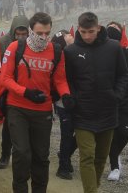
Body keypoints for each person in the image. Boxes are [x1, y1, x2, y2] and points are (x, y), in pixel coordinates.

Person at [0, 13, 72, 193]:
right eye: (39, 33)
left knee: (41, 156)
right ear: (31, 30)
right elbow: (5, 79)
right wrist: (26, 92)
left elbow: (60, 80)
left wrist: (66, 95)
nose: (44, 37)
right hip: (17, 108)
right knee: (22, 153)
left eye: (47, 33)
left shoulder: (56, 51)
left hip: (43, 111)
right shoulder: (15, 47)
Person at [64, 12, 128, 193]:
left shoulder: (114, 47)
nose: (87, 36)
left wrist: (117, 95)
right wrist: (72, 99)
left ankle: (94, 187)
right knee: (87, 156)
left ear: (98, 28)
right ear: (78, 29)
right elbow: (66, 80)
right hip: (82, 113)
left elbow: (123, 74)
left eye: (91, 31)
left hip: (108, 112)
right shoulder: (70, 51)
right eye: (83, 32)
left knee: (100, 158)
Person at [105, 22, 128, 181]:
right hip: (106, 102)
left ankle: (115, 156)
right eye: (109, 27)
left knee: (124, 132)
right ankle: (115, 167)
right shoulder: (102, 52)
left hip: (126, 102)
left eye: (115, 28)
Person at [0, 15, 30, 170]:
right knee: (9, 126)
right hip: (9, 88)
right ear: (13, 32)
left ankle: (23, 157)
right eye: (18, 34)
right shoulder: (4, 42)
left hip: (28, 89)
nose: (21, 37)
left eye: (24, 34)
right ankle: (5, 154)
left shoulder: (33, 44)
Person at [50, 30, 78, 180]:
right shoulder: (59, 56)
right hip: (63, 101)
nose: (71, 36)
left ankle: (65, 155)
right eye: (67, 36)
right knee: (67, 134)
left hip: (79, 100)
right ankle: (63, 166)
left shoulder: (78, 53)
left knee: (82, 132)